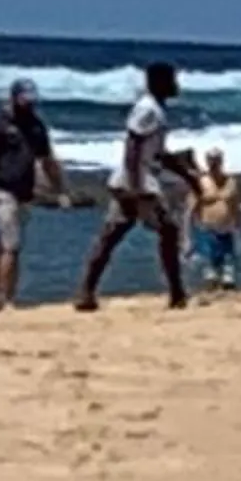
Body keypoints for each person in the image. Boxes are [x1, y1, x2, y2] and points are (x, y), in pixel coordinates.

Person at [75, 62, 195, 310]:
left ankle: (86, 292)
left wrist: (185, 173)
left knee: (113, 234)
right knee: (167, 231)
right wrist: (135, 185)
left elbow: (157, 153)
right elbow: (133, 146)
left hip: (135, 181)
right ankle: (177, 293)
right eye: (172, 80)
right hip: (139, 184)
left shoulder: (155, 110)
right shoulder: (147, 109)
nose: (176, 85)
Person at [0, 78, 69, 310]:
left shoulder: (36, 126)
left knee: (0, 245)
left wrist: (61, 191)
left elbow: (47, 160)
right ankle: (6, 299)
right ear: (14, 98)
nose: (29, 105)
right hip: (0, 191)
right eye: (25, 101)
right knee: (12, 245)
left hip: (24, 193)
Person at [189, 149, 241, 294]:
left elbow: (235, 204)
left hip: (226, 226)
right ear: (207, 161)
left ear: (221, 161)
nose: (214, 163)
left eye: (217, 160)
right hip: (206, 225)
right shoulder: (201, 182)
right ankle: (211, 283)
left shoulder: (230, 182)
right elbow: (192, 205)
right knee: (210, 257)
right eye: (211, 160)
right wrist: (189, 227)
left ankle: (227, 284)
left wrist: (239, 222)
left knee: (227, 257)